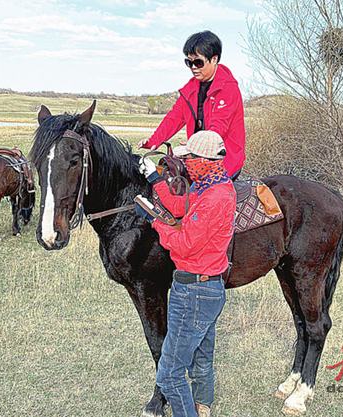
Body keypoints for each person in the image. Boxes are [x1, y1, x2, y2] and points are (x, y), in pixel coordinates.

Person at [136, 131, 236, 417]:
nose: (186, 162)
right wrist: (156, 182)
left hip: (193, 291)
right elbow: (181, 207)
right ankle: (202, 402)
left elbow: (184, 243)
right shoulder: (212, 185)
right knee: (202, 357)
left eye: (190, 157)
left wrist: (154, 222)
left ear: (204, 160)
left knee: (169, 375)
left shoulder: (213, 198)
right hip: (208, 288)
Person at [138, 30, 245, 179]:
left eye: (198, 62)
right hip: (197, 157)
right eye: (189, 62)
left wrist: (196, 145)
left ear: (214, 59)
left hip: (223, 160)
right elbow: (174, 118)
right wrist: (153, 141)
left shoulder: (228, 88)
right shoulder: (191, 89)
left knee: (196, 196)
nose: (193, 67)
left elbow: (218, 127)